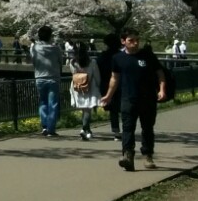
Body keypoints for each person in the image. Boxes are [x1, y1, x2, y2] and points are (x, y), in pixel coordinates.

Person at [101, 30, 169, 170]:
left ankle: (147, 155)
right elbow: (114, 78)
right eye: (131, 40)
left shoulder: (147, 55)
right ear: (123, 41)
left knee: (147, 128)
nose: (135, 43)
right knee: (127, 128)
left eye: (137, 40)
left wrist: (162, 90)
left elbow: (160, 73)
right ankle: (128, 156)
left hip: (148, 99)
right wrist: (108, 95)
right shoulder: (118, 58)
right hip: (128, 98)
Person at [30, 25, 64, 138]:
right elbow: (61, 62)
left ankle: (44, 126)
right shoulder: (56, 48)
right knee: (53, 103)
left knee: (43, 102)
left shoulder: (34, 48)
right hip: (53, 78)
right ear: (50, 36)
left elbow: (33, 61)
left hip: (40, 78)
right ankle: (51, 129)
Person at [68, 40, 102, 141]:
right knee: (87, 109)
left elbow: (73, 74)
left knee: (84, 110)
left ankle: (88, 130)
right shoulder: (92, 62)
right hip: (89, 87)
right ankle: (83, 129)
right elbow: (97, 76)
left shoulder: (73, 62)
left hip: (77, 87)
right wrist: (99, 86)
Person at [96, 32, 125, 139]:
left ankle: (116, 130)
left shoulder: (103, 56)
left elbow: (98, 69)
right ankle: (126, 128)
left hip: (106, 84)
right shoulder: (122, 56)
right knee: (123, 107)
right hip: (121, 84)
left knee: (113, 109)